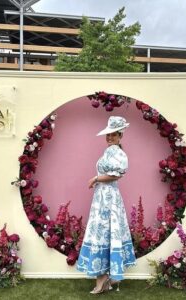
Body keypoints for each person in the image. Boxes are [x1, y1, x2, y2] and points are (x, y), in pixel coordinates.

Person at [76, 116, 137, 294]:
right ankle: (103, 277)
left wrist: (95, 178)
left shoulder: (118, 153)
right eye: (108, 135)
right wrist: (98, 182)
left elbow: (116, 175)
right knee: (102, 232)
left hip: (109, 197)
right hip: (102, 196)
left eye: (113, 134)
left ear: (120, 136)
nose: (109, 137)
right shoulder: (109, 151)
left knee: (105, 231)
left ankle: (104, 278)